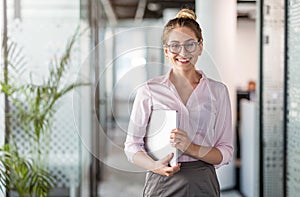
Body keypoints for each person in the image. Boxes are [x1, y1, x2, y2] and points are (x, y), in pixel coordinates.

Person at [124, 8, 233, 197]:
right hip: (161, 179)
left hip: (203, 181)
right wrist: (154, 166)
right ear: (166, 51)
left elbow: (225, 151)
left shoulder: (218, 91)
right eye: (175, 45)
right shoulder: (149, 90)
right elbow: (132, 146)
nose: (182, 52)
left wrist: (190, 148)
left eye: (190, 44)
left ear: (200, 46)